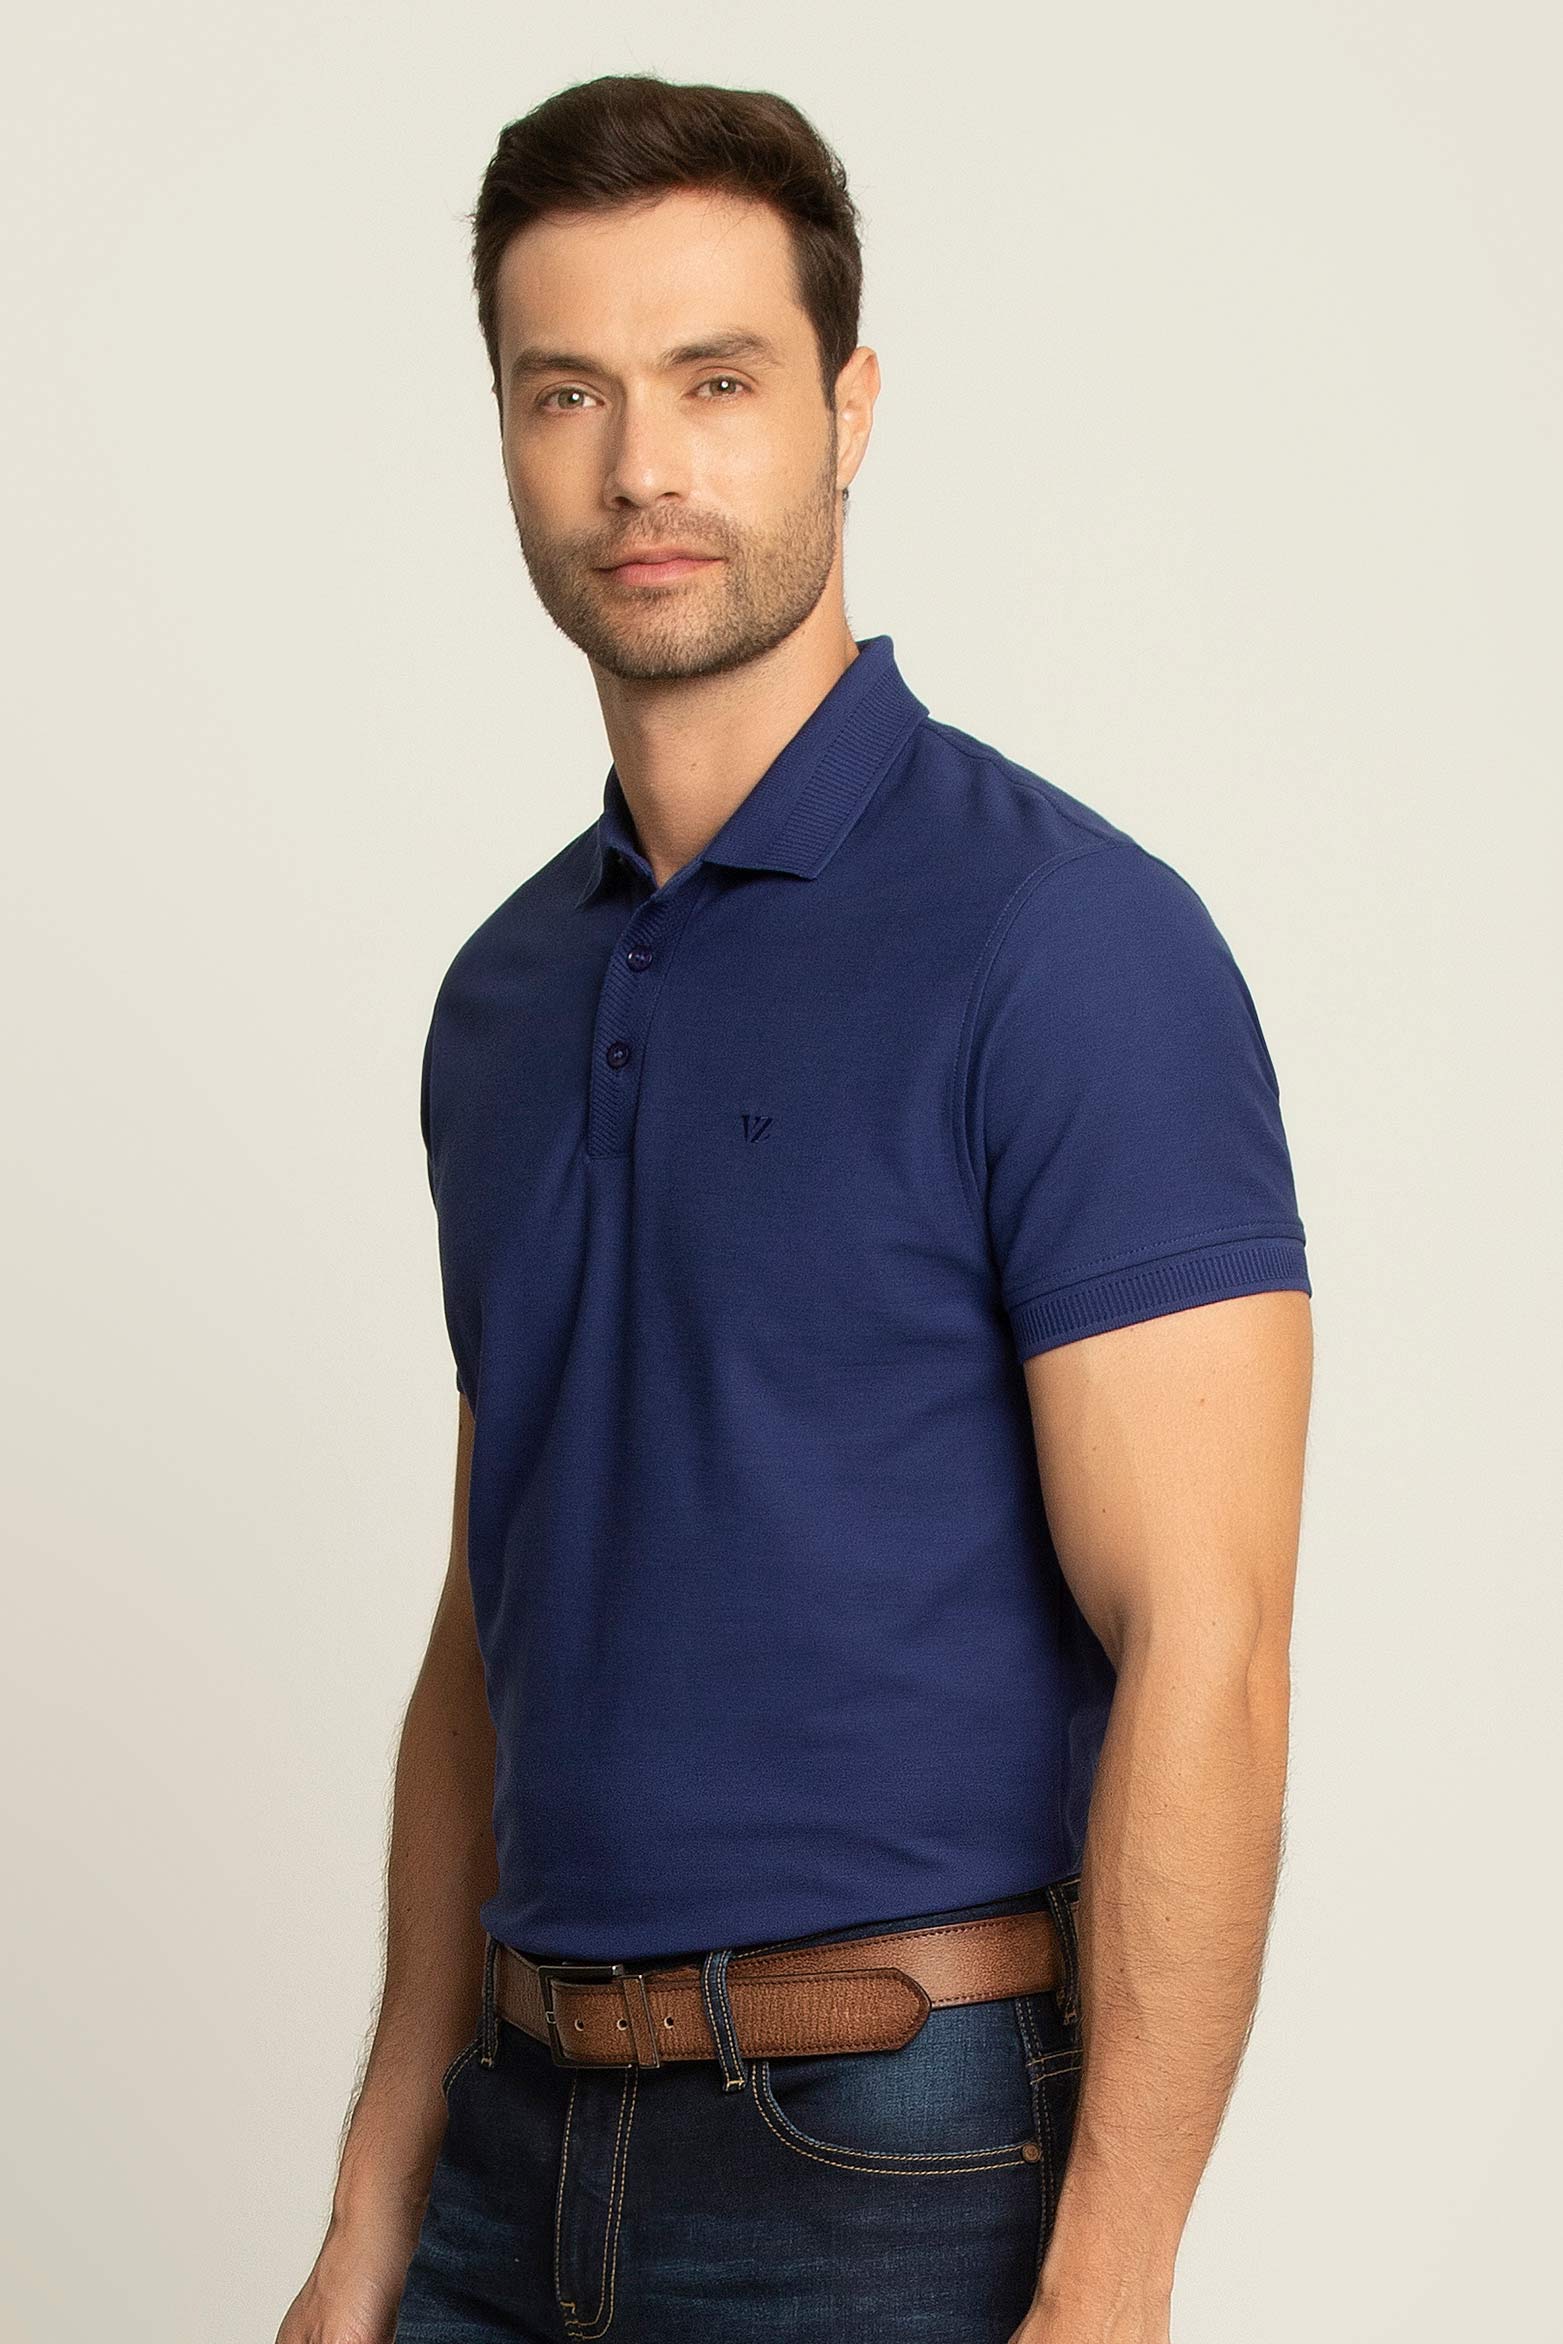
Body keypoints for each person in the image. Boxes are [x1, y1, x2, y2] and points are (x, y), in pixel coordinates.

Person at [276, 70, 1314, 2344]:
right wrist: (373, 2202)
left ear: (846, 409)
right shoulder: (501, 998)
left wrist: (1113, 2280)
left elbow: (1208, 1645)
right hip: (506, 2156)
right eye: (567, 391)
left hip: (892, 2166)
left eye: (716, 380)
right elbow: (488, 1634)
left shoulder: (1068, 944)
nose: (640, 467)